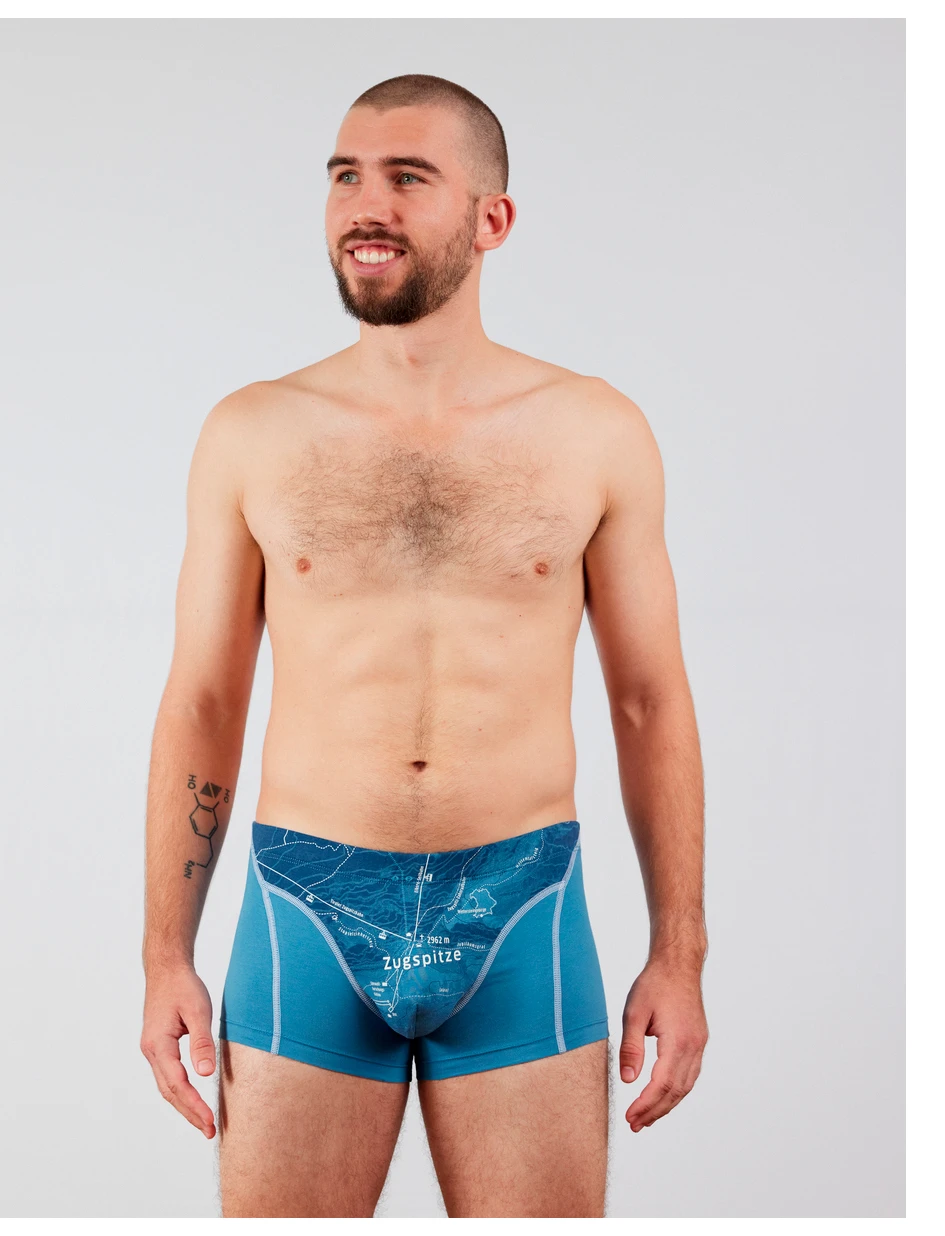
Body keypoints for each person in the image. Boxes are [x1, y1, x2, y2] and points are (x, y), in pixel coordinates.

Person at [140, 73, 708, 1218]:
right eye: (346, 176)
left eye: (408, 178)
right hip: (308, 905)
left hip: (521, 906)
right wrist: (165, 955)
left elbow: (649, 701)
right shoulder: (254, 433)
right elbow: (204, 702)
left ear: (492, 219)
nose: (367, 204)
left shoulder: (595, 431)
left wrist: (679, 953)